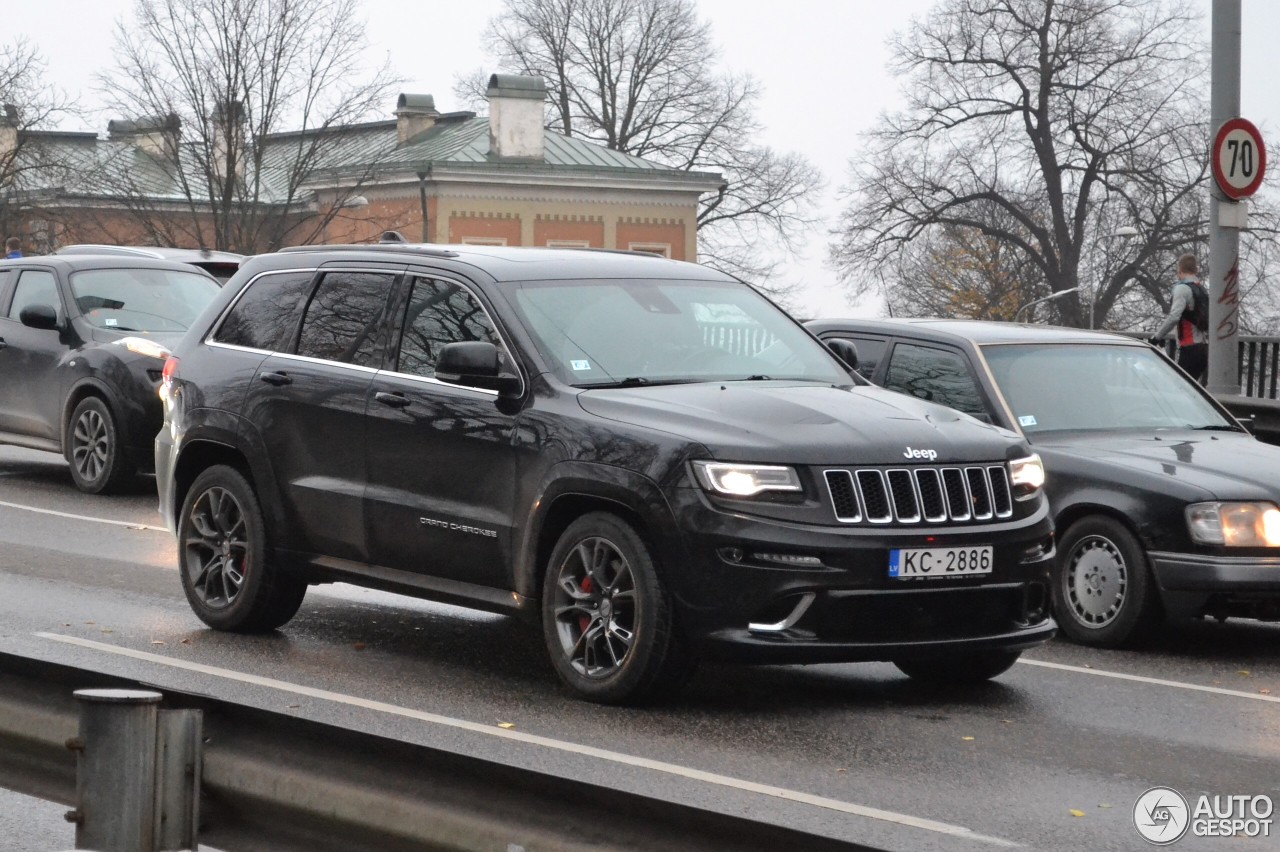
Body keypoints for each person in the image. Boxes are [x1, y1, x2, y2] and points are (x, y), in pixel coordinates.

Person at [1150, 253, 1208, 384]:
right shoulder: (1201, 289)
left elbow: (1174, 316)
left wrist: (1157, 337)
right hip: (1204, 347)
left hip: (1189, 348)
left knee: (1181, 388)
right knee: (1191, 389)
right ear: (1195, 270)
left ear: (1179, 270)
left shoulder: (1182, 289)